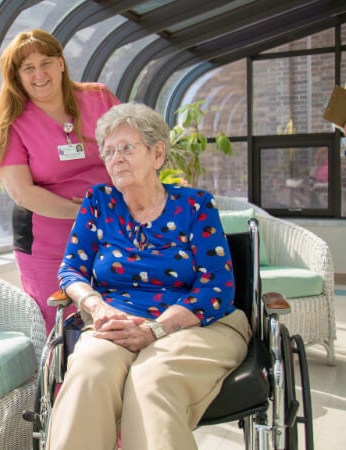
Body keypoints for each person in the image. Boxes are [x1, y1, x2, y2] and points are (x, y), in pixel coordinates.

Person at [45, 103, 251, 450]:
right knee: (89, 372)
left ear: (158, 154)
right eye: (109, 151)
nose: (116, 158)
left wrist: (156, 330)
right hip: (116, 320)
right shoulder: (99, 202)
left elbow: (216, 287)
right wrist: (98, 308)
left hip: (198, 324)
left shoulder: (195, 205)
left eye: (127, 148)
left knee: (152, 378)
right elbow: (71, 270)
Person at [0, 29, 119, 332]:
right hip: (47, 243)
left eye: (46, 62)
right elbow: (23, 192)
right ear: (16, 76)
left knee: (118, 315)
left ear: (61, 64)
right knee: (62, 327)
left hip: (114, 231)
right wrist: (85, 211)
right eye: (28, 68)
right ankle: (61, 382)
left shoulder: (99, 98)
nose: (39, 74)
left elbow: (134, 149)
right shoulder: (10, 124)